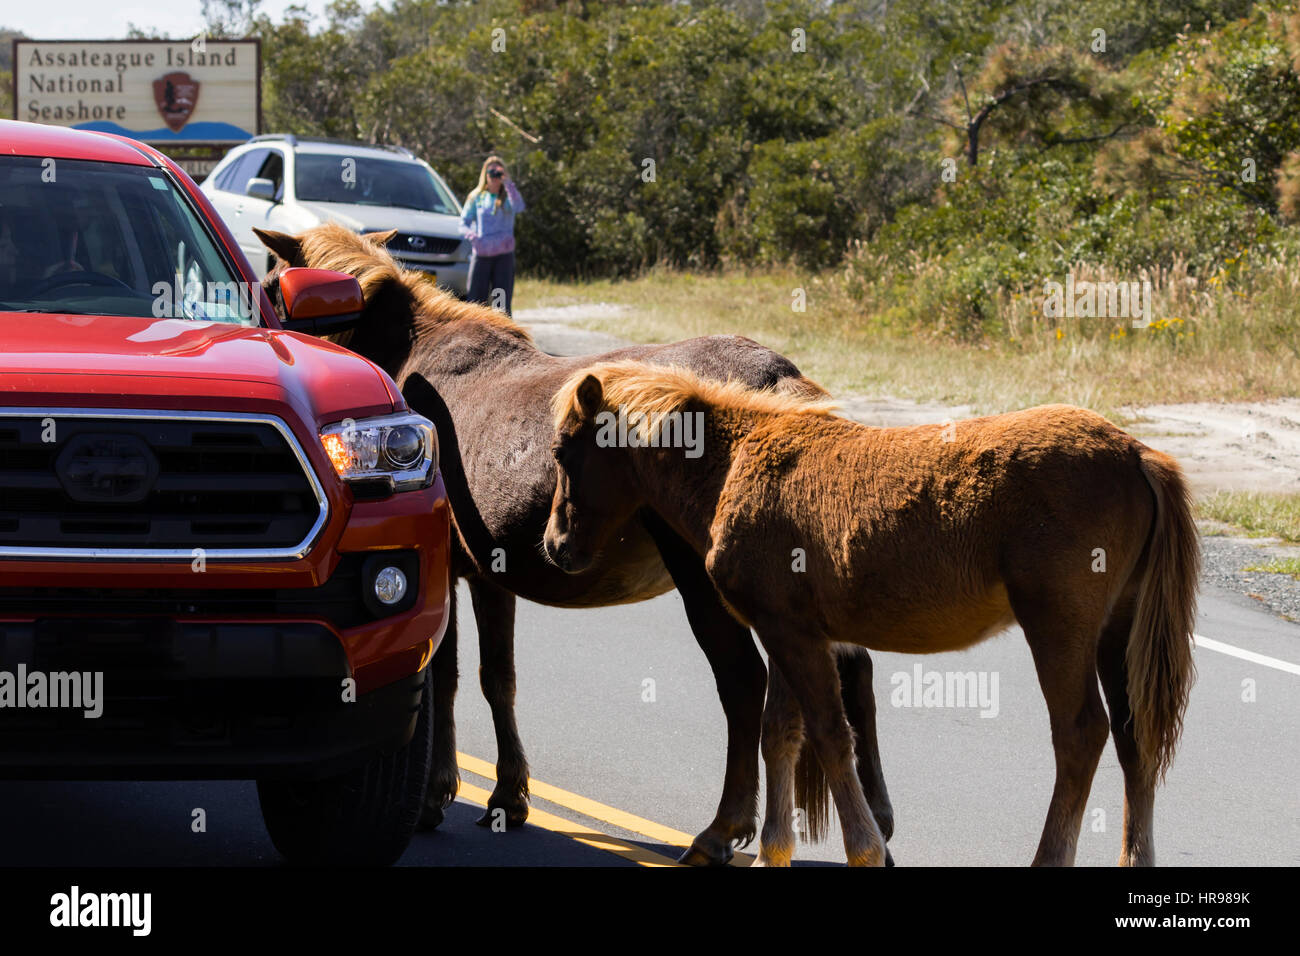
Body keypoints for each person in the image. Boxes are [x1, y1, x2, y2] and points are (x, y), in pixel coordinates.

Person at [460, 155, 524, 315]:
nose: (494, 176)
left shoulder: (508, 197)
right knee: (475, 300)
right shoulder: (477, 196)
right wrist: (473, 238)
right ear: (485, 174)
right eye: (491, 172)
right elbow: (463, 223)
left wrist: (508, 183)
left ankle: (502, 335)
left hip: (503, 256)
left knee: (500, 302)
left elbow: (519, 207)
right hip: (481, 255)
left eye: (498, 172)